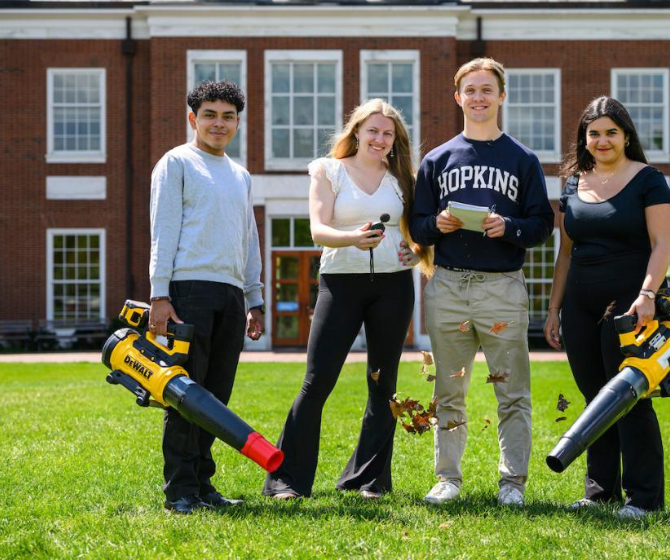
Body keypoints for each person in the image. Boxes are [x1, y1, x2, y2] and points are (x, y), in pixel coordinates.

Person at [263, 98, 433, 500]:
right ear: (356, 131)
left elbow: (416, 230)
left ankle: (368, 479)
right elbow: (318, 229)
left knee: (383, 385)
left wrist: (417, 250)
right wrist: (352, 238)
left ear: (395, 140)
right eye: (372, 130)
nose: (380, 138)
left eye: (387, 133)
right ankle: (287, 481)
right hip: (340, 283)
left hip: (393, 286)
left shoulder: (402, 177)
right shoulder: (328, 170)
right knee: (317, 381)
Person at [410, 58, 554, 506]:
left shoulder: (522, 159)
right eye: (470, 90)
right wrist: (439, 224)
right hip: (449, 286)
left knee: (511, 391)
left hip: (501, 287)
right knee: (449, 389)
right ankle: (447, 478)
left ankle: (512, 484)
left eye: (487, 89)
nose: (478, 97)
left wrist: (508, 227)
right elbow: (417, 227)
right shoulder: (437, 160)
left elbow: (542, 223)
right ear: (458, 97)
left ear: (501, 96)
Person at [543, 96, 670, 520]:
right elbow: (565, 253)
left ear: (626, 136)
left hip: (628, 303)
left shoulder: (649, 180)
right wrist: (553, 309)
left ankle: (644, 498)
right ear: (584, 138)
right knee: (592, 397)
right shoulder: (573, 184)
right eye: (594, 133)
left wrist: (648, 294)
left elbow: (662, 245)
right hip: (579, 304)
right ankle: (599, 491)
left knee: (628, 396)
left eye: (611, 132)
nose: (602, 141)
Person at [149, 80, 265, 514]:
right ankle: (180, 490)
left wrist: (253, 298)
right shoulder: (177, 163)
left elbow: (248, 238)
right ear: (193, 118)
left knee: (214, 399)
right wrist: (160, 294)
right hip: (187, 291)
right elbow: (162, 229)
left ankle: (203, 485)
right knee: (186, 395)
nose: (220, 123)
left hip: (231, 295)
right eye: (211, 115)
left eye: (229, 116)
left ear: (238, 121)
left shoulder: (240, 175)